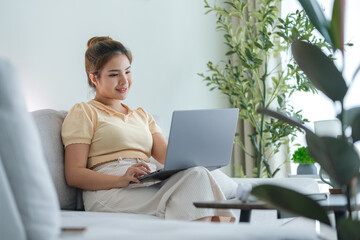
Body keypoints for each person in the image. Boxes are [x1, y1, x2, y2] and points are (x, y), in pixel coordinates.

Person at [61, 36, 235, 222]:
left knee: (197, 175)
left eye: (127, 71)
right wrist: (120, 180)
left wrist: (202, 147)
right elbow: (74, 174)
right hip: (109, 189)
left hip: (145, 180)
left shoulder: (142, 115)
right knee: (193, 190)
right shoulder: (84, 112)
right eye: (114, 74)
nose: (124, 81)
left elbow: (168, 156)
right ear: (94, 77)